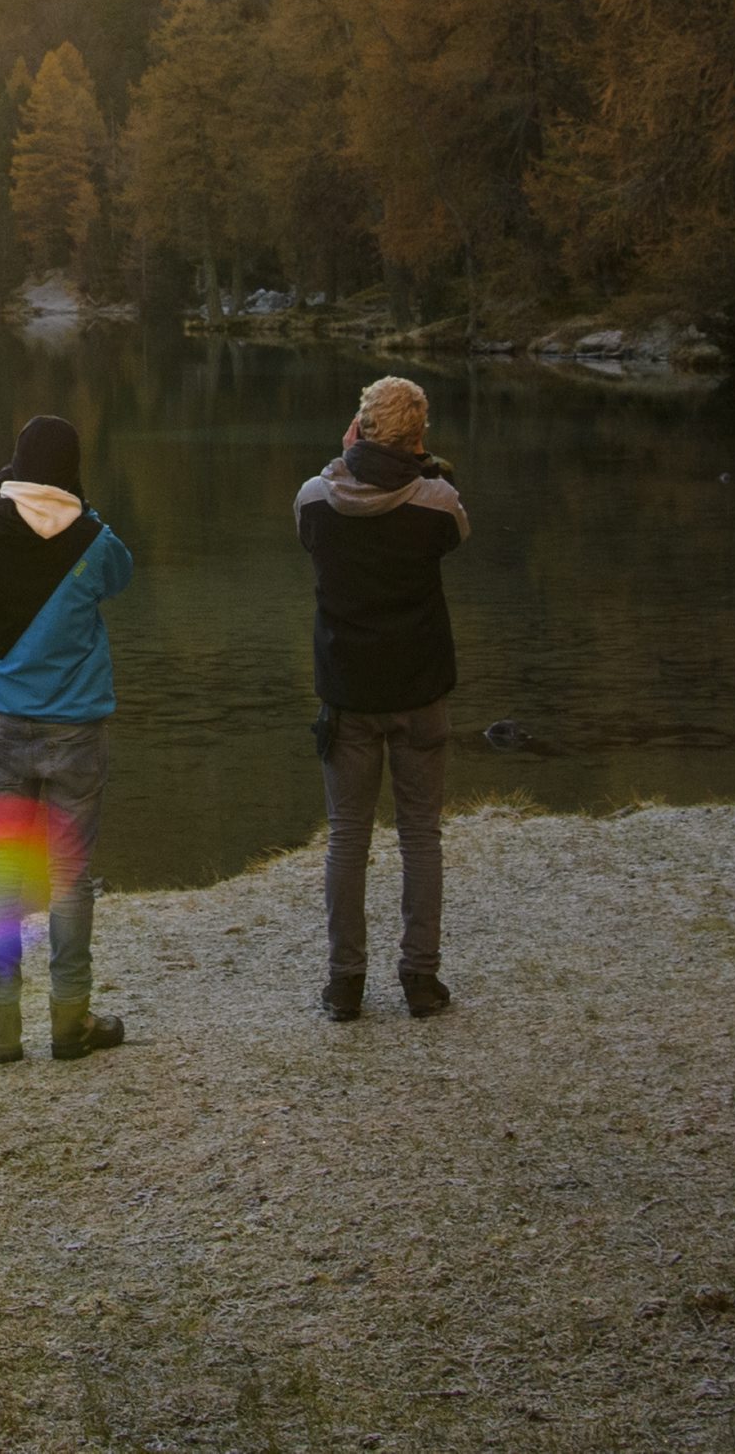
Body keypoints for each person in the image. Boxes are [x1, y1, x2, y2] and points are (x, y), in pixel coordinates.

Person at [0, 410, 135, 1064]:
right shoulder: (95, 538)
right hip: (76, 731)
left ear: (16, 466)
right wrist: (81, 506)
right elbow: (121, 575)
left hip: (4, 729)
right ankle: (70, 1023)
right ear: (73, 471)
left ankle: (3, 1027)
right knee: (70, 876)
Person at [296, 373, 470, 1022]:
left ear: (359, 429)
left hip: (348, 692)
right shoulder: (436, 503)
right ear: (418, 439)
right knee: (421, 833)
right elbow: (457, 519)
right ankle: (420, 979)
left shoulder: (316, 499)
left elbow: (309, 521)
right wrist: (420, 463)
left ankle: (345, 983)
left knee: (347, 836)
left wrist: (344, 458)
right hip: (420, 688)